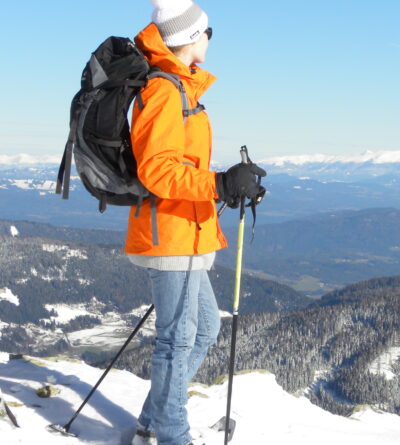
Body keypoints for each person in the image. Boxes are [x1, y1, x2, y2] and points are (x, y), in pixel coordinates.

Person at [126, 1, 265, 444]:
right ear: (190, 37)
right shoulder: (164, 91)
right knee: (175, 340)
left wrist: (227, 183)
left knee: (204, 327)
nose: (210, 38)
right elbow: (157, 170)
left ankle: (155, 419)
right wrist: (220, 183)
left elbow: (179, 164)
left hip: (189, 229)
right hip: (169, 231)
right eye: (209, 31)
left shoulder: (183, 90)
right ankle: (170, 434)